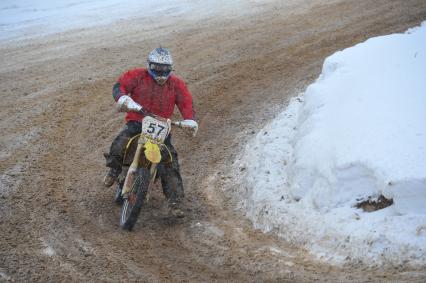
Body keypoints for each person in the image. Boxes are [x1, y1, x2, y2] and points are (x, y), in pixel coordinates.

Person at [103, 47, 198, 218]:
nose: (161, 72)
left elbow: (186, 103)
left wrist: (190, 119)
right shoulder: (137, 75)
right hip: (137, 122)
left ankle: (175, 202)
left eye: (165, 69)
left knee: (170, 161)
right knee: (121, 142)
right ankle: (114, 169)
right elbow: (120, 85)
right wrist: (123, 98)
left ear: (170, 68)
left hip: (162, 128)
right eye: (157, 68)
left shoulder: (176, 84)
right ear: (150, 65)